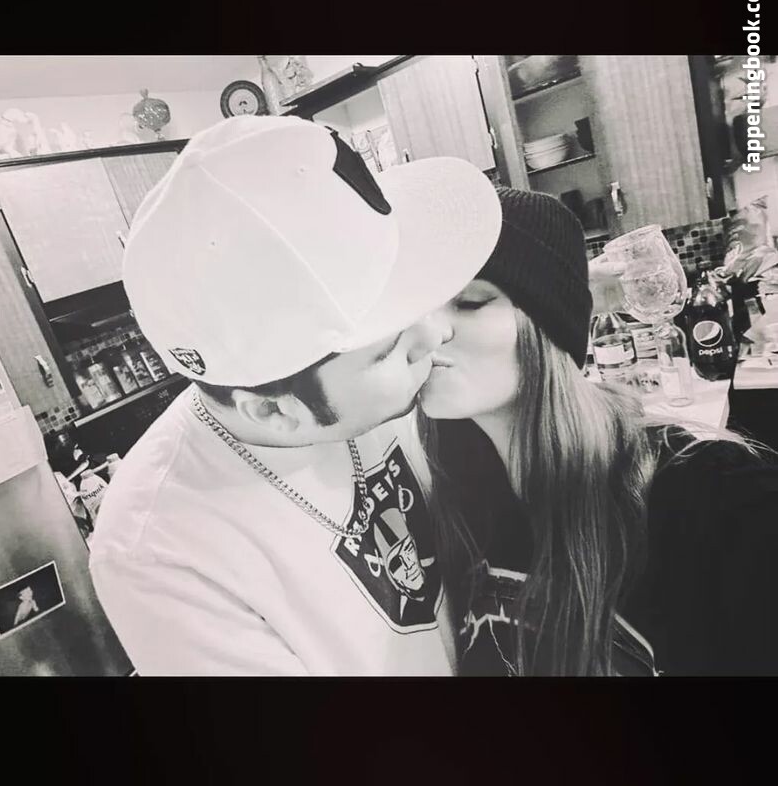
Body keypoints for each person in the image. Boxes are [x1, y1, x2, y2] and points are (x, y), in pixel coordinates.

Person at [88, 115, 502, 675]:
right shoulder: (159, 552)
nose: (436, 333)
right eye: (389, 350)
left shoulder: (380, 390)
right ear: (274, 410)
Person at [420, 187, 778, 676]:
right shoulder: (450, 495)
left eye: (470, 301)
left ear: (548, 330)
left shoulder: (709, 493)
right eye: (416, 308)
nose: (427, 332)